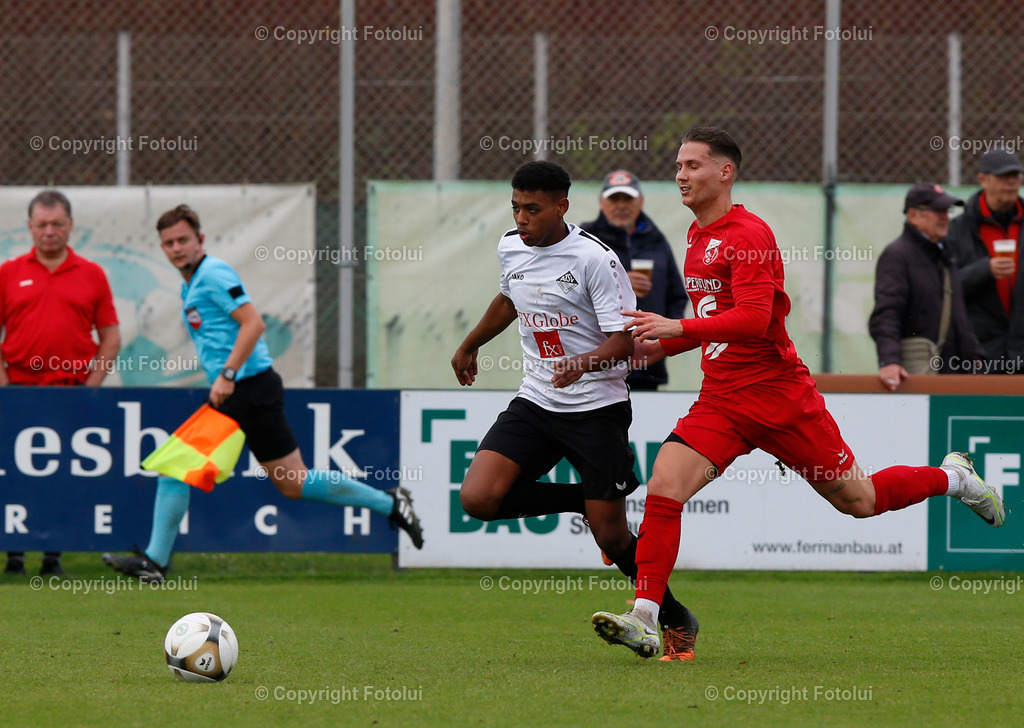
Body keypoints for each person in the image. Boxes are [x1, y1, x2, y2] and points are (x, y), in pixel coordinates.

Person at [591, 127, 1006, 661]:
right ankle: (647, 617)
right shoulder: (696, 237)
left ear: (725, 172)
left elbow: (754, 320)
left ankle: (955, 478)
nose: (680, 175)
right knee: (665, 486)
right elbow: (716, 322)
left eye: (693, 165)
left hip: (780, 397)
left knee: (862, 501)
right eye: (677, 166)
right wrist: (652, 348)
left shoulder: (749, 235)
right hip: (721, 400)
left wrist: (678, 329)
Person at [451, 161, 699, 660]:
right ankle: (576, 500)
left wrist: (582, 363)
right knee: (478, 499)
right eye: (516, 207)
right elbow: (508, 298)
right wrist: (471, 344)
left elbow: (626, 338)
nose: (522, 217)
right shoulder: (510, 246)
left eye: (533, 209)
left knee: (611, 532)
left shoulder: (593, 260)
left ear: (562, 205)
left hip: (596, 410)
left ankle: (676, 619)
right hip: (537, 401)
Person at [103, 205, 422, 583]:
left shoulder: (213, 274)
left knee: (173, 467)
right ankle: (390, 502)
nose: (176, 248)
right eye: (169, 243)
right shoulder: (193, 281)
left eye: (183, 240)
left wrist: (226, 374)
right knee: (293, 482)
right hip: (252, 391)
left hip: (244, 391)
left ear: (200, 240)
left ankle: (155, 562)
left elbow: (253, 323)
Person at [1, 190, 120, 577]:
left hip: (70, 393)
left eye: (57, 224)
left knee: (61, 478)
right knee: (16, 476)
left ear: (70, 226)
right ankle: (13, 556)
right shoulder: (9, 273)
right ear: (30, 227)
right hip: (18, 391)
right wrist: (3, 383)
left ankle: (53, 557)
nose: (49, 231)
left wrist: (92, 386)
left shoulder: (92, 274)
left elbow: (111, 337)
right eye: (42, 224)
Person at [869, 183, 984, 389]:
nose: (945, 217)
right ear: (913, 216)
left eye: (947, 211)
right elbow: (887, 313)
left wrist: (975, 356)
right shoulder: (897, 255)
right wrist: (890, 361)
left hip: (953, 374)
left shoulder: (945, 254)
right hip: (920, 375)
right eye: (937, 211)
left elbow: (959, 315)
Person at [581, 170, 688, 390]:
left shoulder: (656, 240)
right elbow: (569, 294)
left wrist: (662, 341)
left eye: (628, 198)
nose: (621, 205)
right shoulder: (585, 239)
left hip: (647, 368)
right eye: (614, 198)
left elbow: (676, 296)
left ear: (640, 201)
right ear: (602, 202)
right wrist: (619, 283)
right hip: (598, 367)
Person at [945, 149, 1024, 371]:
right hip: (980, 352)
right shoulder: (957, 230)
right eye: (1002, 177)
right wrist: (985, 270)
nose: (1010, 182)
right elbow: (945, 286)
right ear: (983, 180)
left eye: (1015, 176)